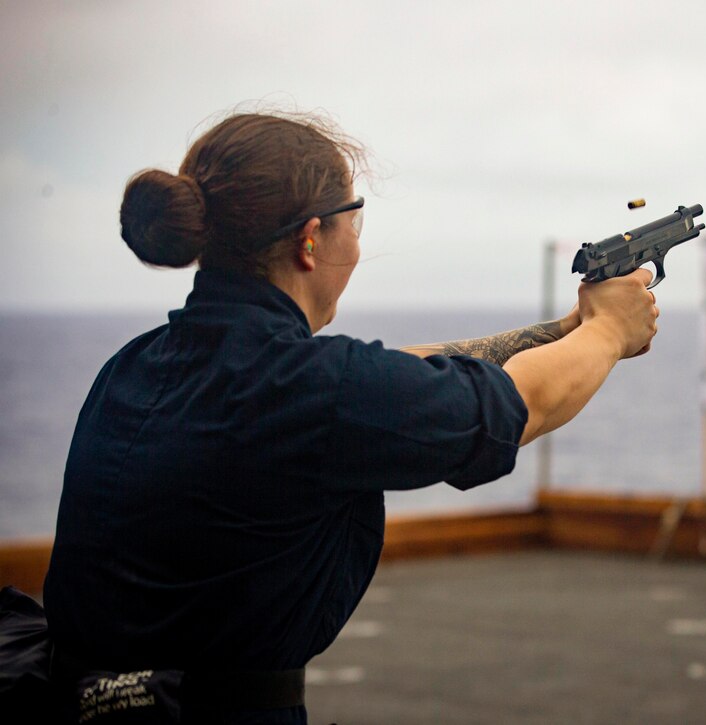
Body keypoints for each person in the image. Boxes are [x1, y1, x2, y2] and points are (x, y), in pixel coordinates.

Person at [43, 110, 658, 723]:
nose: (357, 242)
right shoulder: (308, 389)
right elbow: (516, 406)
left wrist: (560, 333)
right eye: (354, 219)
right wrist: (609, 331)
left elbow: (400, 374)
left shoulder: (132, 368)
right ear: (310, 239)